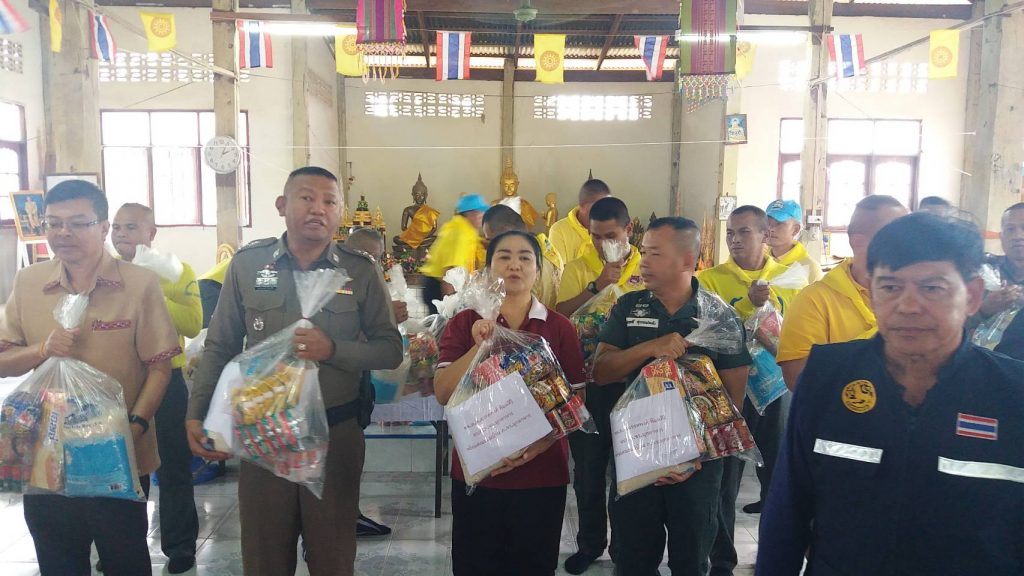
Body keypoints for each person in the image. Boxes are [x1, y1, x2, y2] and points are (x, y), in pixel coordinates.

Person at [757, 212, 1024, 575]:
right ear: (872, 293)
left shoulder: (1011, 393)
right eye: (890, 287)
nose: (908, 305)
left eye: (932, 288)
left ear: (973, 296)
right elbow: (787, 510)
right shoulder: (828, 376)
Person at [186, 166, 403, 576]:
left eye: (329, 201)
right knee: (264, 556)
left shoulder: (359, 270)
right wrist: (197, 412)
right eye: (306, 198)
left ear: (339, 213)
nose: (318, 209)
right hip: (263, 432)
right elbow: (220, 345)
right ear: (282, 205)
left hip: (336, 434)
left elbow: (390, 350)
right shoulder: (249, 265)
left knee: (333, 557)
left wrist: (333, 349)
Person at [0, 180, 179, 576]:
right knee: (58, 562)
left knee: (125, 560)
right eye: (54, 223)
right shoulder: (29, 282)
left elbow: (159, 367)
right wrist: (42, 350)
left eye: (78, 223)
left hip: (117, 457)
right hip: (46, 458)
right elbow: (4, 361)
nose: (63, 233)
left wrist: (133, 428)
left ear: (103, 227)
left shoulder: (139, 283)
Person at [593, 217, 751, 576]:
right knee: (633, 559)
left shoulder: (719, 317)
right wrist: (651, 347)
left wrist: (692, 458)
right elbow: (601, 372)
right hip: (637, 451)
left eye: (655, 254)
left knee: (691, 561)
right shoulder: (630, 307)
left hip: (698, 465)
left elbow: (732, 403)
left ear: (687, 260)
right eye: (643, 252)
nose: (643, 261)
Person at [434, 230, 586, 576]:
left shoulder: (559, 327)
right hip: (477, 473)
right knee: (475, 566)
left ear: (538, 270)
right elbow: (443, 392)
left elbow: (576, 402)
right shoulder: (464, 323)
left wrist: (538, 445)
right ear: (489, 269)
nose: (514, 265)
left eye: (524, 258)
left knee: (534, 566)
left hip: (542, 474)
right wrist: (480, 346)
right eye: (504, 256)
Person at [695, 205, 801, 574]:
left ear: (765, 235)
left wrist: (770, 312)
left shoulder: (790, 278)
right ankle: (722, 559)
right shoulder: (710, 279)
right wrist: (747, 307)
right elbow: (708, 332)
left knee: (777, 475)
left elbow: (796, 334)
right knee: (725, 478)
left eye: (744, 232)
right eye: (730, 233)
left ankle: (774, 555)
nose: (735, 240)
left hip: (775, 390)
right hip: (728, 389)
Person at [552, 196, 643, 575]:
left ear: (628, 230)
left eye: (611, 236)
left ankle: (624, 546)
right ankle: (590, 543)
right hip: (587, 386)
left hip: (634, 385)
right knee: (588, 472)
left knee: (628, 471)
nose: (602, 244)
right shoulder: (578, 268)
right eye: (595, 236)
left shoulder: (646, 267)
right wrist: (596, 285)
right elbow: (558, 318)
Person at [110, 203, 202, 575]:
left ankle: (180, 547)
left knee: (173, 466)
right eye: (116, 227)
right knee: (125, 469)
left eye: (130, 227)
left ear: (151, 233)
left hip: (166, 382)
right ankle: (122, 544)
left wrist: (151, 293)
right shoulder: (104, 273)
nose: (121, 234)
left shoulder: (176, 271)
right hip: (119, 384)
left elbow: (193, 323)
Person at [776, 195, 907, 389]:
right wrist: (879, 341)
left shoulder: (917, 295)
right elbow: (798, 379)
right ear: (858, 241)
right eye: (897, 236)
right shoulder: (814, 300)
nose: (907, 244)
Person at [481, 204, 562, 309]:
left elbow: (516, 309)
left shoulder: (525, 266)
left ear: (506, 231)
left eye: (492, 241)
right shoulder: (547, 247)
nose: (491, 248)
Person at [419, 194, 488, 314]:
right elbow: (450, 272)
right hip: (439, 287)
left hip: (441, 285)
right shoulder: (460, 232)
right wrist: (450, 306)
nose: (482, 216)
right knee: (443, 324)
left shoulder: (467, 229)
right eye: (479, 212)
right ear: (470, 214)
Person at [977, 203, 1024, 321]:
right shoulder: (985, 271)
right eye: (1010, 229)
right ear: (1001, 236)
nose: (1018, 236)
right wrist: (984, 310)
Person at [548, 179, 612, 264]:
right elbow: (558, 269)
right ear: (582, 205)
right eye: (597, 207)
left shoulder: (612, 228)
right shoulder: (559, 230)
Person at [765, 200, 823, 284]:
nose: (770, 229)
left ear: (795, 229)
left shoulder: (809, 268)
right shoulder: (760, 260)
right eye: (767, 223)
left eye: (779, 224)